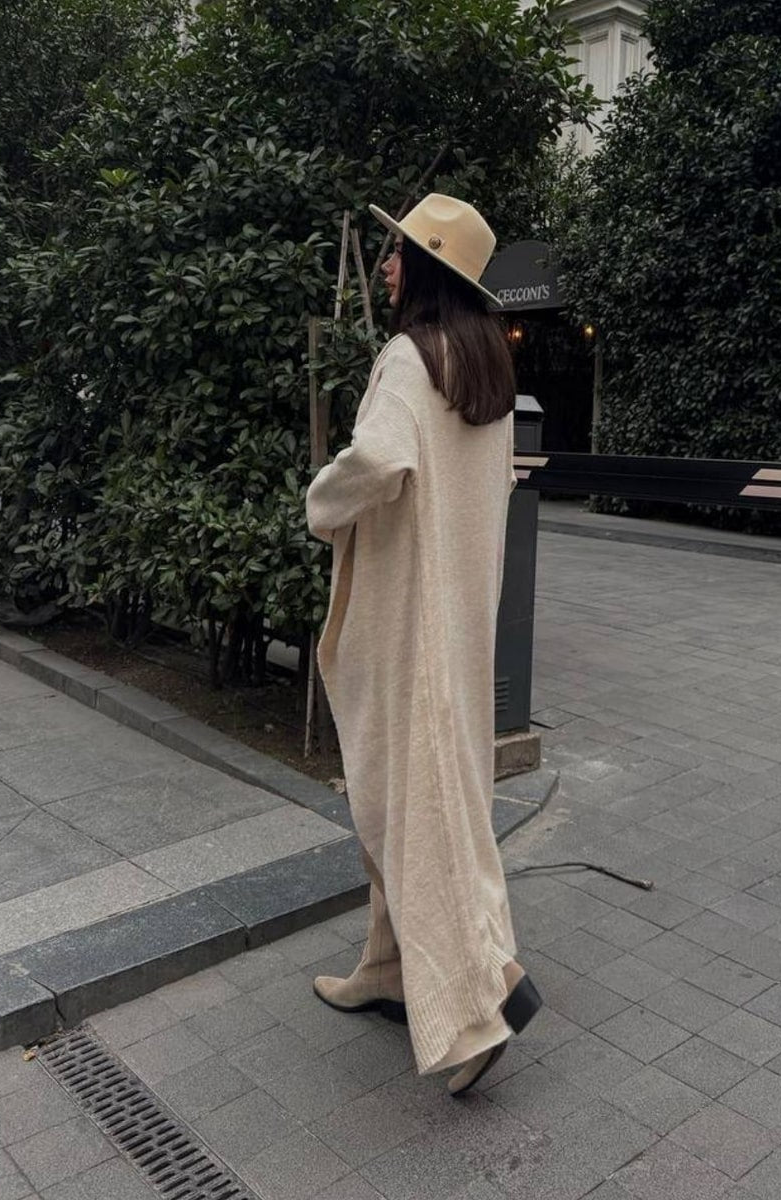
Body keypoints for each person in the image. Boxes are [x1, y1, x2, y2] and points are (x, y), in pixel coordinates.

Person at [305, 193, 541, 1096]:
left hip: (405, 616)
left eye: (401, 252)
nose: (388, 265)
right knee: (416, 787)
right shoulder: (486, 369)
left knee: (419, 799)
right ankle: (387, 965)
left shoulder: (409, 358)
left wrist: (320, 500)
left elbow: (377, 462)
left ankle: (479, 1004)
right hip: (461, 616)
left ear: (430, 269)